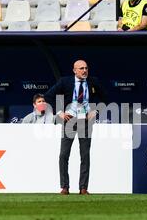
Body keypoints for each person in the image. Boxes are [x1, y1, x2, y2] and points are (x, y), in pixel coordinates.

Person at [44, 60, 107, 195]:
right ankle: (65, 187)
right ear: (74, 70)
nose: (84, 70)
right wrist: (60, 112)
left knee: (85, 155)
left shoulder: (93, 81)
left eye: (86, 68)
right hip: (69, 121)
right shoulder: (64, 82)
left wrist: (95, 111)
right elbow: (48, 96)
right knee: (63, 155)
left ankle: (83, 188)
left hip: (85, 122)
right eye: (81, 68)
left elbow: (105, 99)